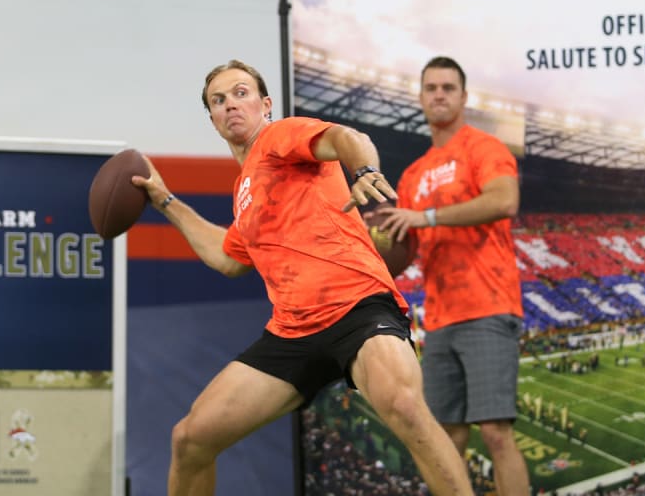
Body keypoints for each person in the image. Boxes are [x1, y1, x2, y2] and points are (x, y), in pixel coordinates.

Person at [131, 59, 474, 496]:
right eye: (219, 100)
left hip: (358, 307)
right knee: (191, 438)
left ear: (265, 104)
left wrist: (364, 170)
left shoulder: (279, 137)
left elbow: (348, 138)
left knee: (405, 407)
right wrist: (164, 200)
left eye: (241, 92)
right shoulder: (245, 192)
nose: (231, 104)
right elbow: (228, 257)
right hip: (293, 331)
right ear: (213, 119)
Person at [375, 56, 530, 496]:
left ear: (464, 97)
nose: (439, 94)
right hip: (440, 319)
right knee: (446, 440)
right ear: (421, 98)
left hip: (488, 307)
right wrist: (377, 247)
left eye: (448, 87)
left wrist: (424, 215)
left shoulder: (484, 148)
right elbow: (407, 249)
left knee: (497, 434)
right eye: (431, 88)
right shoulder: (412, 175)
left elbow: (505, 201)